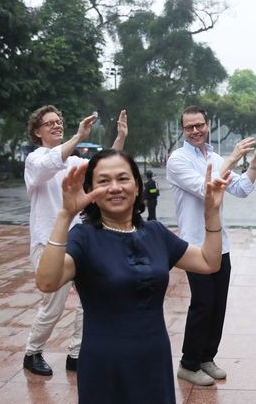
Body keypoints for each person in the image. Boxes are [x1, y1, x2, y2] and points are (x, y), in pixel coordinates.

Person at [35, 149, 231, 403]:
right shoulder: (83, 238)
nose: (115, 187)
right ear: (90, 191)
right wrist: (65, 216)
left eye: (123, 179)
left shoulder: (156, 233)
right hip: (104, 364)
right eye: (104, 181)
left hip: (154, 359)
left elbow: (209, 262)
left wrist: (211, 213)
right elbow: (47, 281)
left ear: (137, 186)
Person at [166, 105, 256, 386]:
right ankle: (188, 363)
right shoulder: (177, 159)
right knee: (202, 304)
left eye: (199, 125)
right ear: (183, 130)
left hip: (220, 243)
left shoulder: (214, 157)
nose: (195, 131)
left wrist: (254, 161)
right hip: (193, 244)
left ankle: (206, 357)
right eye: (189, 127)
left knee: (218, 305)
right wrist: (233, 157)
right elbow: (208, 188)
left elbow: (241, 189)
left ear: (207, 125)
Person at [23, 105, 127, 376]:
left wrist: (120, 138)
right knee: (53, 304)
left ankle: (77, 354)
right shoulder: (35, 160)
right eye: (49, 124)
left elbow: (101, 166)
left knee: (88, 300)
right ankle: (32, 352)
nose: (57, 126)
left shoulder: (73, 162)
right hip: (47, 242)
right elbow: (49, 165)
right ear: (37, 132)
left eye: (59, 121)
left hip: (78, 241)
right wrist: (78, 137)